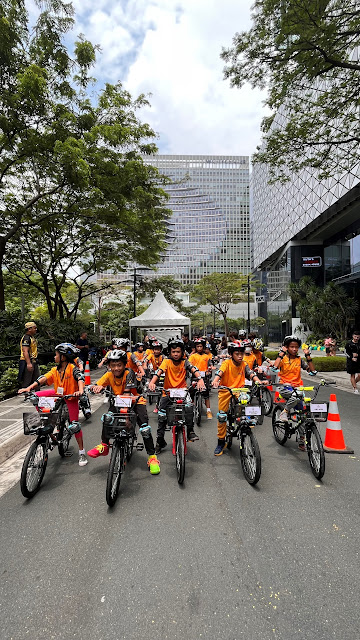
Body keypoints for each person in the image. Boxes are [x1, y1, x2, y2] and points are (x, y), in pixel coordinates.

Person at [87, 350, 160, 474]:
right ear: (109, 366)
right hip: (118, 401)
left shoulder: (129, 373)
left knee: (144, 428)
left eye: (119, 365)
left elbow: (127, 394)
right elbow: (97, 384)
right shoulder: (109, 375)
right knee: (107, 418)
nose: (116, 368)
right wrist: (96, 387)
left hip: (136, 401)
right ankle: (104, 445)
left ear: (125, 364)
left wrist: (126, 418)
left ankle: (152, 457)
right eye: (113, 365)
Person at [18, 343, 88, 466]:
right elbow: (44, 378)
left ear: (63, 357)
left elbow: (80, 378)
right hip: (57, 394)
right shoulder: (55, 370)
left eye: (56, 355)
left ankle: (82, 452)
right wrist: (29, 388)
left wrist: (80, 391)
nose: (54, 357)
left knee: (75, 426)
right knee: (35, 397)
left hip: (70, 397)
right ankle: (50, 432)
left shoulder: (72, 368)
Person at [148, 338, 206, 453]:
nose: (176, 354)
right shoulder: (166, 362)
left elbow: (194, 369)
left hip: (183, 392)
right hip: (167, 392)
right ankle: (160, 441)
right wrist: (152, 382)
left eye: (178, 352)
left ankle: (190, 431)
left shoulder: (185, 362)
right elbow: (159, 372)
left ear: (182, 352)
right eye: (173, 352)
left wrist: (200, 379)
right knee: (162, 416)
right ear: (169, 352)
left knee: (189, 407)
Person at [212, 342, 265, 456]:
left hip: (239, 391)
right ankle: (221, 442)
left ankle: (245, 421)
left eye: (241, 353)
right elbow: (219, 372)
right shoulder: (226, 363)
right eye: (237, 354)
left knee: (246, 403)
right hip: (225, 390)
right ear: (231, 354)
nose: (240, 356)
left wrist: (258, 381)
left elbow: (250, 373)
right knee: (222, 416)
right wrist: (216, 380)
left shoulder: (244, 364)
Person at [272, 335, 317, 449]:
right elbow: (274, 367)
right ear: (287, 347)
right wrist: (281, 353)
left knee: (302, 413)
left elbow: (312, 371)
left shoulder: (299, 360)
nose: (294, 349)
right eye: (292, 347)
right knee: (298, 396)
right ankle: (285, 411)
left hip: (297, 388)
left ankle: (302, 438)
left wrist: (308, 355)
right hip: (284, 387)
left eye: (296, 347)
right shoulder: (283, 359)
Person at [188, 338, 213, 419]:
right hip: (194, 378)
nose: (199, 348)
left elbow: (210, 365)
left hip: (204, 378)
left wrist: (210, 369)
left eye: (201, 346)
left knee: (206, 394)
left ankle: (208, 410)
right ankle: (191, 406)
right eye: (197, 346)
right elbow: (189, 365)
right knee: (191, 391)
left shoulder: (206, 356)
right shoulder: (192, 356)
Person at [18, 321, 40, 391]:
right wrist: (28, 363)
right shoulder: (26, 338)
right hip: (27, 360)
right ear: (29, 329)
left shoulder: (32, 338)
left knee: (37, 379)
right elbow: (25, 351)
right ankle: (26, 395)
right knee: (27, 379)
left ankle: (37, 395)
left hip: (33, 360)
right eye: (34, 328)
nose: (36, 329)